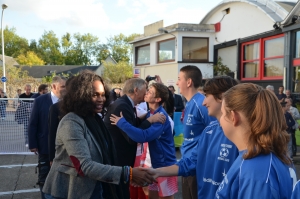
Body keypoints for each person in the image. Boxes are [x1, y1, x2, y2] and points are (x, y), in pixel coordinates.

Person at [43, 71, 155, 199]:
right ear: (81, 95)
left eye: (102, 95)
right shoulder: (71, 122)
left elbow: (103, 157)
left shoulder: (94, 119)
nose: (101, 99)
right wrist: (128, 174)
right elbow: (85, 166)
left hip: (95, 187)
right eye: (95, 95)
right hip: (68, 191)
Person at [143, 76, 239, 199]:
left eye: (207, 96)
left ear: (221, 97)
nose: (204, 102)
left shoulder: (242, 135)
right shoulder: (209, 130)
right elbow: (191, 162)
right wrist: (157, 172)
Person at [215, 83, 296, 198]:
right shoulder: (257, 157)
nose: (220, 119)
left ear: (233, 117)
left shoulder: (255, 171)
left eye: (222, 113)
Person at [110, 83, 177, 199]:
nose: (146, 93)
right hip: (155, 165)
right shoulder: (151, 114)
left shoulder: (160, 117)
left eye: (150, 92)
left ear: (157, 99)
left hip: (165, 165)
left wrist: (122, 123)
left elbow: (143, 136)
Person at [176, 65, 212, 199]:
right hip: (187, 164)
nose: (177, 82)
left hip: (197, 166)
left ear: (189, 82)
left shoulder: (202, 103)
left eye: (179, 79)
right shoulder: (190, 103)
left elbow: (215, 132)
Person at [28, 76, 66, 199]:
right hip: (44, 146)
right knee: (45, 178)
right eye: (63, 87)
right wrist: (32, 143)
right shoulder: (40, 101)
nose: (66, 90)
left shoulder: (68, 102)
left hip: (63, 147)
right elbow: (33, 123)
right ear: (54, 87)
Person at [48, 76, 75, 165]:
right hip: (62, 150)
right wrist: (52, 157)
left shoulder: (84, 107)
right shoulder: (55, 108)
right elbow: (52, 132)